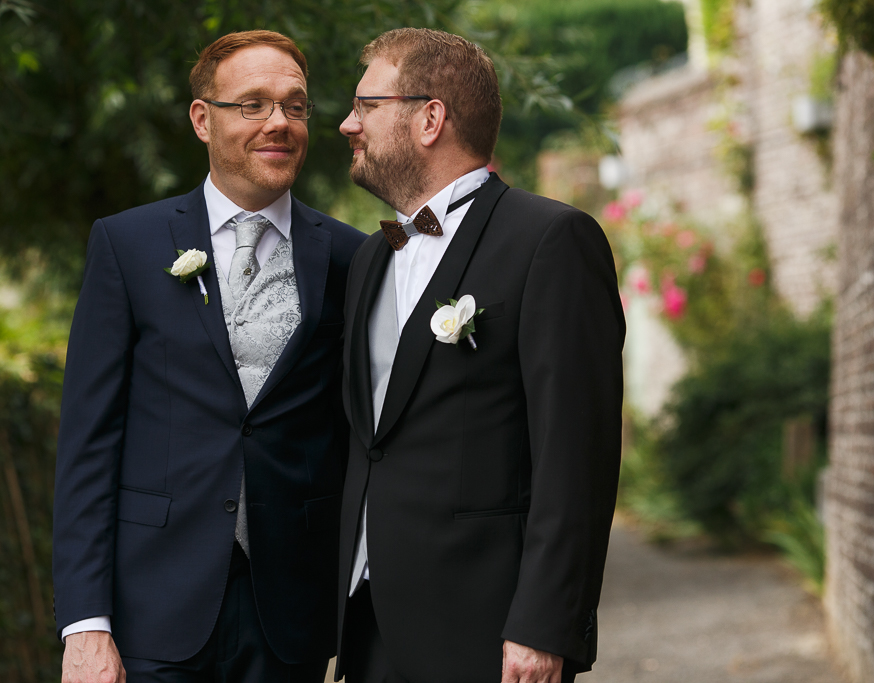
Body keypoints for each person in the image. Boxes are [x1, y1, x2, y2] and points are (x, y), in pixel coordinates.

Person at [52, 29, 365, 683]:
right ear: (203, 118)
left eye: (295, 105)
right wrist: (85, 622)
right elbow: (88, 444)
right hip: (153, 605)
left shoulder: (348, 256)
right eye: (252, 104)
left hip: (291, 612)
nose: (278, 122)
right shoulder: (128, 244)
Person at [335, 28, 625, 683]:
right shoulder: (369, 260)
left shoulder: (550, 241)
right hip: (370, 626)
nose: (348, 123)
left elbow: (577, 452)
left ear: (430, 117)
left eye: (367, 106)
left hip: (488, 634)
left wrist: (544, 624)